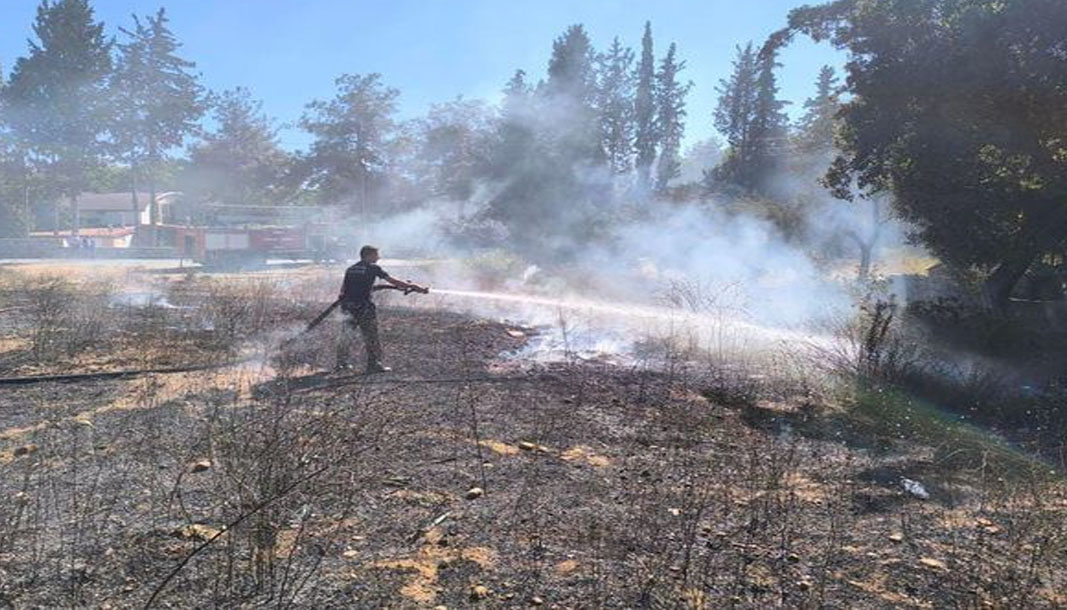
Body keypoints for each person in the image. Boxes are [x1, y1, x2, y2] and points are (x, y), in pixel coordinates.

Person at [336, 245, 428, 373]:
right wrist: (412, 286)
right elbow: (392, 281)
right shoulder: (373, 268)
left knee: (346, 335)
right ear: (368, 255)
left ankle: (341, 364)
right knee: (371, 336)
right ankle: (374, 365)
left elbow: (343, 290)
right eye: (376, 255)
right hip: (364, 308)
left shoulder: (351, 269)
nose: (379, 257)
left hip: (348, 307)